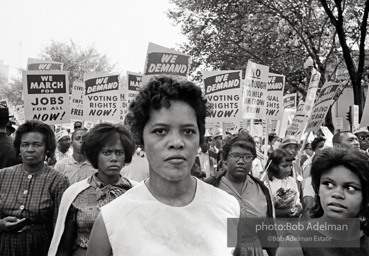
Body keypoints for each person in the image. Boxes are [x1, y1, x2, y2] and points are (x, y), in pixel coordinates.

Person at [86, 76, 240, 256]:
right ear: (141, 139)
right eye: (160, 131)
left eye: (188, 131)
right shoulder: (111, 219)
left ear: (199, 138)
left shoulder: (229, 207)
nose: (176, 142)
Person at [49, 123, 136, 256]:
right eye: (107, 152)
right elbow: (65, 246)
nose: (114, 158)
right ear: (95, 155)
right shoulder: (75, 193)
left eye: (119, 153)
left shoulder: (134, 192)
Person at [276, 147, 369, 255]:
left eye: (350, 188)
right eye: (328, 184)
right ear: (317, 189)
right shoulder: (295, 242)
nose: (337, 194)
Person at [0, 119, 70, 256]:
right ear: (19, 148)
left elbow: (60, 224)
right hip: (4, 245)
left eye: (37, 144)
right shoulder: (2, 176)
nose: (30, 149)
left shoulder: (58, 180)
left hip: (41, 247)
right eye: (25, 145)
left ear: (47, 148)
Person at [205, 132, 276, 256]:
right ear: (225, 158)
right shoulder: (210, 187)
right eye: (236, 156)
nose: (241, 161)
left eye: (247, 156)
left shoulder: (261, 189)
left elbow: (268, 232)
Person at [265, 148, 302, 218]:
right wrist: (288, 211)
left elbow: (298, 202)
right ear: (274, 166)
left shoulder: (292, 181)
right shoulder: (268, 183)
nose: (289, 169)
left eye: (290, 166)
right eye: (284, 166)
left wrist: (298, 209)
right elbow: (267, 210)